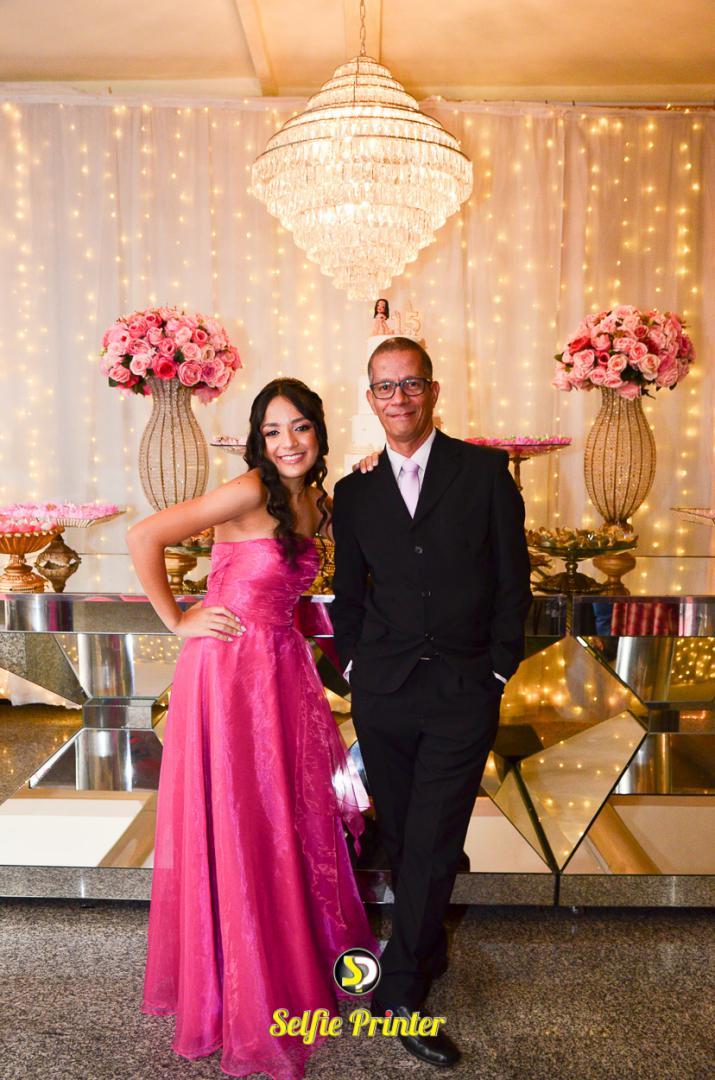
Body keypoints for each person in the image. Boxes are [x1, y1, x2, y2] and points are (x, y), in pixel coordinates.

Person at [128, 378, 375, 1080]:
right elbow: (144, 535)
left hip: (281, 673)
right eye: (273, 431)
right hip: (230, 673)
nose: (288, 442)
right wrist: (179, 619)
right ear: (258, 440)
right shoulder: (245, 492)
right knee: (239, 816)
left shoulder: (316, 502)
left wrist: (373, 471)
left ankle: (282, 950)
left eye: (300, 428)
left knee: (281, 816)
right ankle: (238, 980)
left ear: (318, 433)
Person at [330, 337, 532, 1069]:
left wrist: (498, 670)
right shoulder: (353, 491)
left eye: (411, 384)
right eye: (386, 387)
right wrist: (355, 666)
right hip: (383, 692)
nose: (400, 398)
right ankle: (426, 945)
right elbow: (348, 593)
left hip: (461, 690)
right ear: (370, 398)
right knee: (404, 834)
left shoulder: (483, 472)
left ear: (434, 391)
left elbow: (513, 580)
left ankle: (401, 992)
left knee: (437, 836)